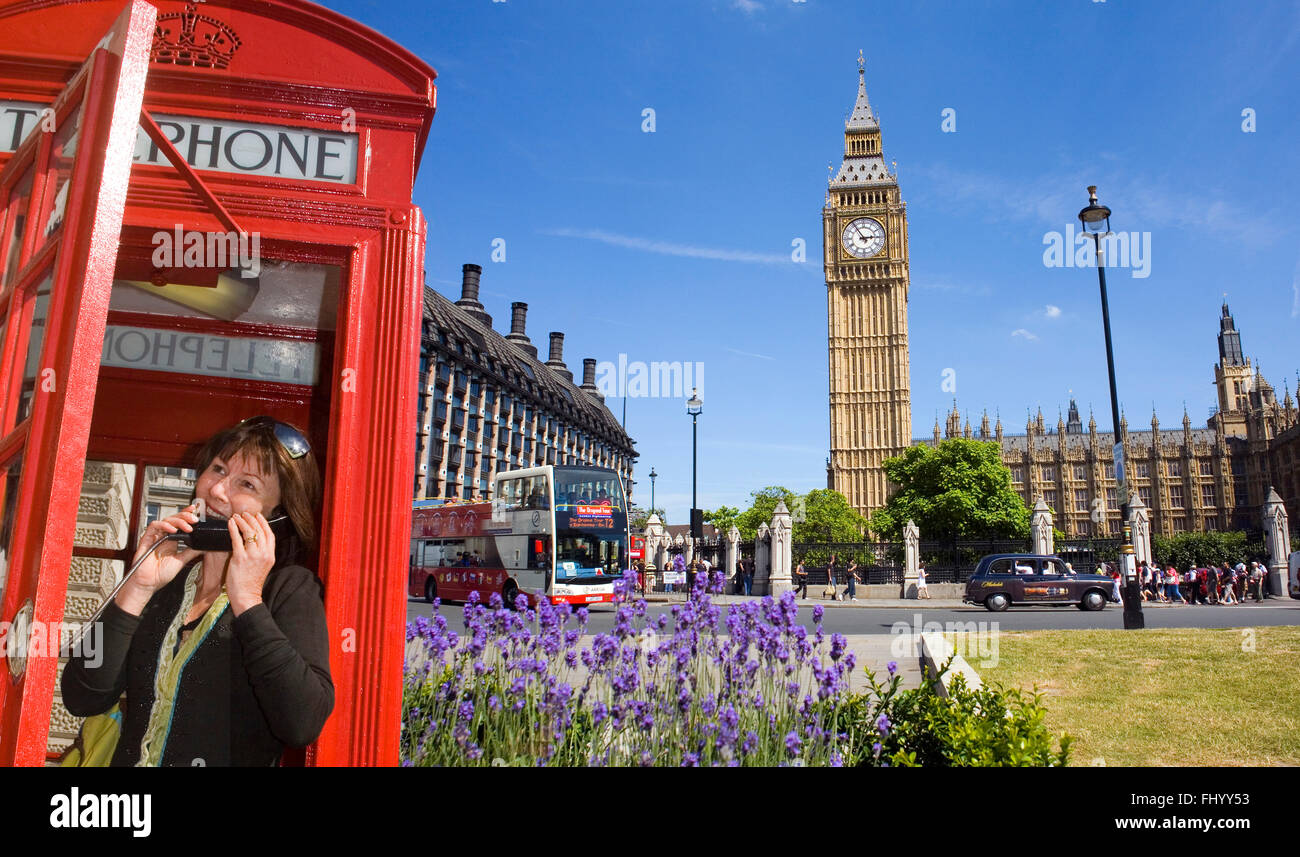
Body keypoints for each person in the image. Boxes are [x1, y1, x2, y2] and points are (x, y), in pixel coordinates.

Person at [61, 416, 332, 766]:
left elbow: (303, 723)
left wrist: (248, 601)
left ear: (277, 516)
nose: (218, 490)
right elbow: (81, 696)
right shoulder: (168, 582)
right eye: (218, 469)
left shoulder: (288, 589)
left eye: (247, 484)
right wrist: (138, 587)